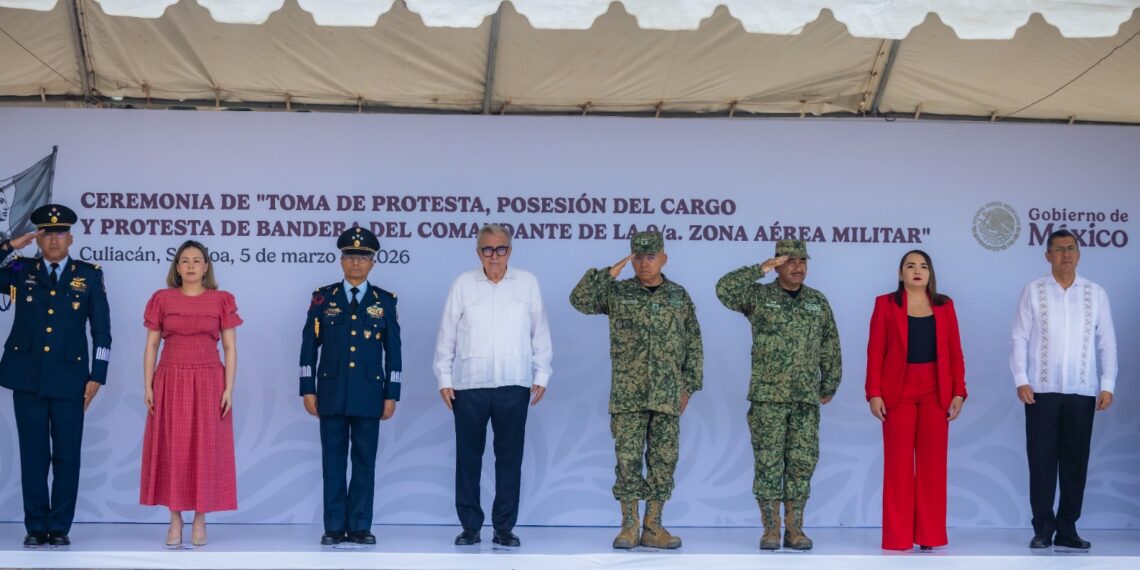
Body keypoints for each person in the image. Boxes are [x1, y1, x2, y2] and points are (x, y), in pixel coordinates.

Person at [569, 231, 702, 550]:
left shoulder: (678, 296)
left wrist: (688, 387)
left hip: (667, 395)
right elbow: (580, 300)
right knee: (627, 460)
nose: (644, 262)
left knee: (663, 461)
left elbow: (694, 343)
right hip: (628, 396)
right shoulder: (618, 293)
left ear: (664, 258)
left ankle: (653, 525)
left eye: (650, 256)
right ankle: (629, 525)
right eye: (638, 257)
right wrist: (611, 270)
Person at [715, 239, 841, 550]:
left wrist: (829, 384)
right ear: (778, 263)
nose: (799, 267)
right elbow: (724, 290)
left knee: (801, 463)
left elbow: (830, 344)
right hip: (768, 397)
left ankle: (795, 529)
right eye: (791, 261)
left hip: (804, 399)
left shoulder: (817, 301)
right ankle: (770, 529)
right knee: (769, 463)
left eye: (803, 261)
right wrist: (761, 269)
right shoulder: (759, 296)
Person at [433, 224, 553, 548]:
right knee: (468, 458)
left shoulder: (527, 283)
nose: (494, 256)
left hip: (513, 384)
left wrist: (542, 374)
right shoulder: (463, 284)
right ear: (478, 253)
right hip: (468, 385)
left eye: (501, 249)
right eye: (488, 249)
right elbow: (447, 334)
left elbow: (539, 332)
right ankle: (470, 526)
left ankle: (504, 528)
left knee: (509, 458)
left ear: (510, 251)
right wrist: (444, 377)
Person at [0, 204, 111, 547]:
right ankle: (36, 526)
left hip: (70, 378)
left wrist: (98, 375)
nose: (53, 239)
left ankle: (59, 525)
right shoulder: (21, 268)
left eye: (59, 233)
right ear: (37, 238)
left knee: (67, 454)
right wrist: (8, 247)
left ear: (71, 238)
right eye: (46, 233)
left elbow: (102, 331)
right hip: (26, 376)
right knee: (33, 453)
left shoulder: (89, 274)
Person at [1011, 229, 1116, 550]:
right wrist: (1021, 378)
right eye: (1059, 250)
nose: (1066, 255)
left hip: (1082, 391)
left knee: (1075, 461)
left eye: (1071, 249)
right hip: (1040, 391)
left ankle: (1068, 528)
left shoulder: (1095, 293)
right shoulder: (1033, 290)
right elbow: (1019, 337)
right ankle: (1043, 528)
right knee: (1041, 461)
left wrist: (1107, 384)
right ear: (1048, 256)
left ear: (1079, 254)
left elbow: (1106, 341)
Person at [299, 226, 402, 546]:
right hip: (330, 392)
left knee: (363, 462)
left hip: (370, 393)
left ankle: (359, 525)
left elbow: (394, 351)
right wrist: (308, 387)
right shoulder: (323, 298)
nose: (356, 262)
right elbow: (308, 345)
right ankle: (333, 526)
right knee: (332, 460)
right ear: (341, 261)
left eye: (363, 257)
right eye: (350, 256)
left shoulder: (384, 301)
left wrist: (392, 393)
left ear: (373, 262)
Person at [139, 240, 242, 548]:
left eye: (197, 260)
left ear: (206, 267)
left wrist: (229, 388)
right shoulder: (162, 299)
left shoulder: (221, 300)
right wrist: (148, 385)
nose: (191, 265)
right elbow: (152, 346)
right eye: (185, 260)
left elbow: (230, 347)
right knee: (173, 448)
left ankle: (200, 517)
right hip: (170, 379)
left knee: (205, 448)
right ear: (177, 267)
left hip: (209, 380)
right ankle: (174, 519)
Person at [865, 250, 966, 550]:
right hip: (898, 392)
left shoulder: (945, 305)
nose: (917, 271)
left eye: (923, 266)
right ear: (901, 274)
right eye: (910, 266)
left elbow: (955, 350)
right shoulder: (885, 304)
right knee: (897, 467)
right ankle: (897, 538)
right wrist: (874, 393)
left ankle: (929, 536)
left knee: (933, 467)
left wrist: (959, 391)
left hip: (936, 392)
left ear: (930, 273)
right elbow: (874, 352)